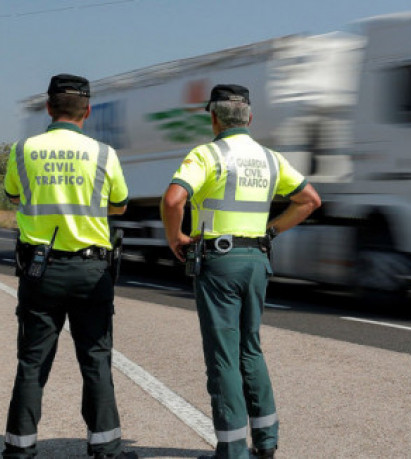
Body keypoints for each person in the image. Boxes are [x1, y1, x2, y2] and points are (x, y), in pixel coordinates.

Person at [161, 84, 321, 459]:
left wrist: (175, 238)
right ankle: (266, 442)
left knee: (223, 355)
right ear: (249, 117)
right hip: (256, 260)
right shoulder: (270, 159)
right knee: (250, 348)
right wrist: (271, 232)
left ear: (213, 118)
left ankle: (232, 448)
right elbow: (310, 200)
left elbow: (173, 199)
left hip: (219, 264)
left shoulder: (206, 154)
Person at [2, 74, 137, 459]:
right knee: (95, 358)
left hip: (39, 270)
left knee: (32, 362)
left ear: (48, 109)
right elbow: (121, 204)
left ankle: (19, 450)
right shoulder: (104, 153)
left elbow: (14, 194)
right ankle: (105, 447)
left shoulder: (22, 149)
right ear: (87, 111)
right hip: (91, 272)